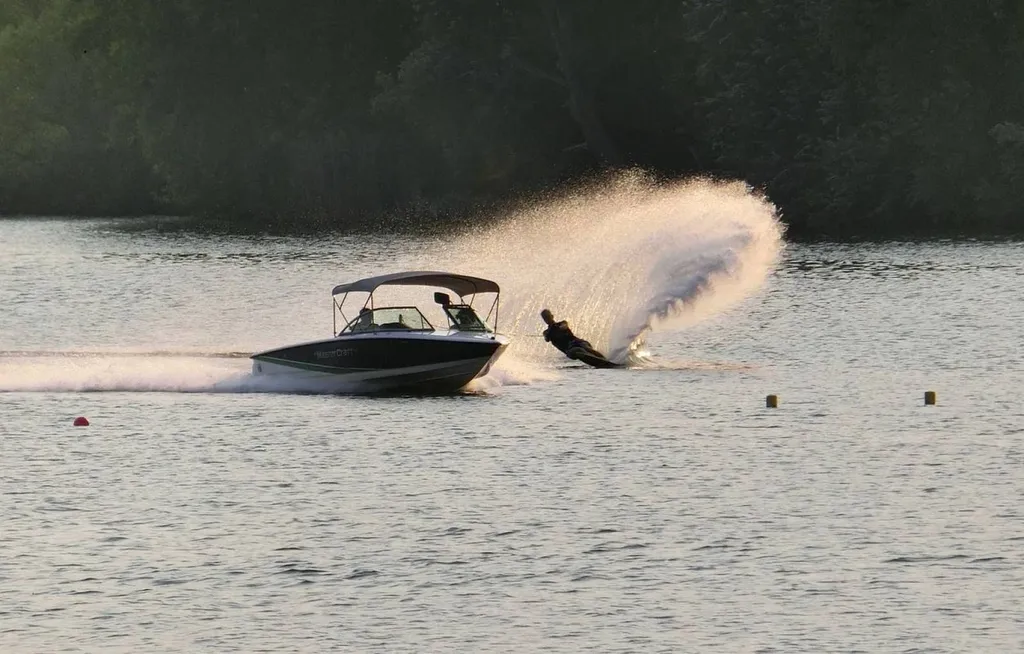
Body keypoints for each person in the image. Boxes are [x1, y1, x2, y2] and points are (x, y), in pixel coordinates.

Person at [540, 309, 607, 361]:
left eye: (548, 316)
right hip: (569, 350)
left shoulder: (562, 323)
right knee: (577, 350)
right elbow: (546, 339)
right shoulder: (546, 332)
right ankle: (589, 356)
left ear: (552, 316)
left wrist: (557, 327)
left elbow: (564, 326)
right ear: (544, 320)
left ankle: (605, 360)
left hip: (578, 342)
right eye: (545, 318)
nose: (547, 319)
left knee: (587, 348)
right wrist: (551, 330)